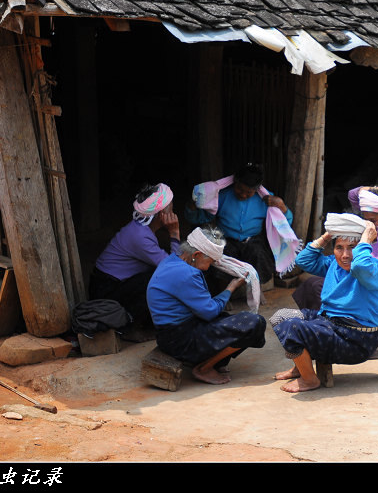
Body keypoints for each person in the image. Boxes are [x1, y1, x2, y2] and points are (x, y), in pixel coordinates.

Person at [271, 213, 378, 393]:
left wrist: (365, 240)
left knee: (293, 327)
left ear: (364, 248)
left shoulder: (374, 268)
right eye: (339, 247)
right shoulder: (333, 263)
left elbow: (360, 266)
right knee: (280, 317)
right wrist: (327, 236)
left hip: (356, 339)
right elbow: (303, 260)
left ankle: (309, 380)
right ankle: (301, 368)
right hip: (329, 324)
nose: (346, 255)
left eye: (353, 248)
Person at [146, 226, 267, 385]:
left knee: (230, 320)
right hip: (179, 340)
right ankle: (204, 368)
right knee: (254, 323)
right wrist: (230, 288)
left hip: (170, 334)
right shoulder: (187, 274)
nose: (211, 266)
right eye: (210, 261)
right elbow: (209, 312)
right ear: (196, 255)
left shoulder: (172, 260)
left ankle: (216, 361)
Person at [292, 185, 378, 335]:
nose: (369, 226)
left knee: (347, 300)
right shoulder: (353, 243)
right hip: (359, 289)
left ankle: (349, 330)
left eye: (373, 220)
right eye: (365, 220)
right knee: (314, 285)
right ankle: (327, 325)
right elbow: (354, 195)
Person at [186, 163, 296, 286]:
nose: (243, 194)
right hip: (225, 239)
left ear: (257, 189)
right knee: (220, 261)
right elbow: (201, 218)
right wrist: (193, 205)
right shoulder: (221, 196)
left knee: (259, 256)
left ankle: (254, 289)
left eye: (249, 192)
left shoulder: (267, 199)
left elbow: (286, 222)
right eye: (240, 189)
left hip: (253, 240)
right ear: (235, 183)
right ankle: (226, 294)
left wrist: (281, 205)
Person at [89, 183, 181, 327]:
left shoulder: (141, 230)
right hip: (106, 291)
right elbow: (175, 268)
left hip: (108, 285)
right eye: (171, 208)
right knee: (161, 278)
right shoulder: (140, 237)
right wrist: (175, 234)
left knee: (157, 274)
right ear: (162, 214)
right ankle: (131, 326)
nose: (173, 212)